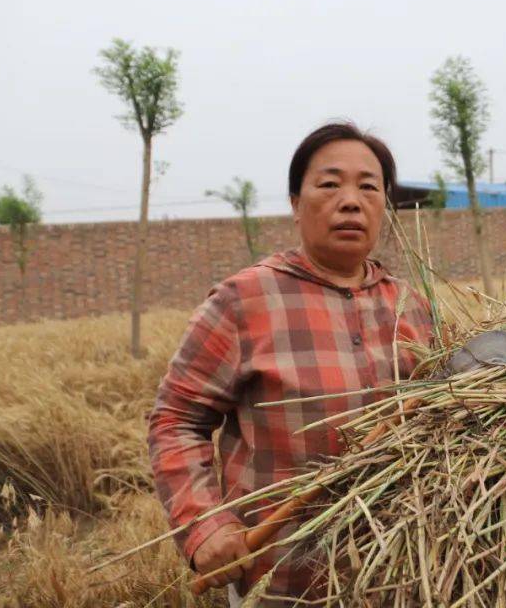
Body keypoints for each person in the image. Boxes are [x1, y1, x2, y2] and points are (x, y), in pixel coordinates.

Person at [148, 123, 434, 607]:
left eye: (369, 186)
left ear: (386, 206)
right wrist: (206, 525)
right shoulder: (245, 300)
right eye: (329, 184)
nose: (351, 200)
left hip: (401, 576)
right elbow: (176, 421)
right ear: (296, 203)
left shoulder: (411, 304)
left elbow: (454, 406)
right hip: (283, 584)